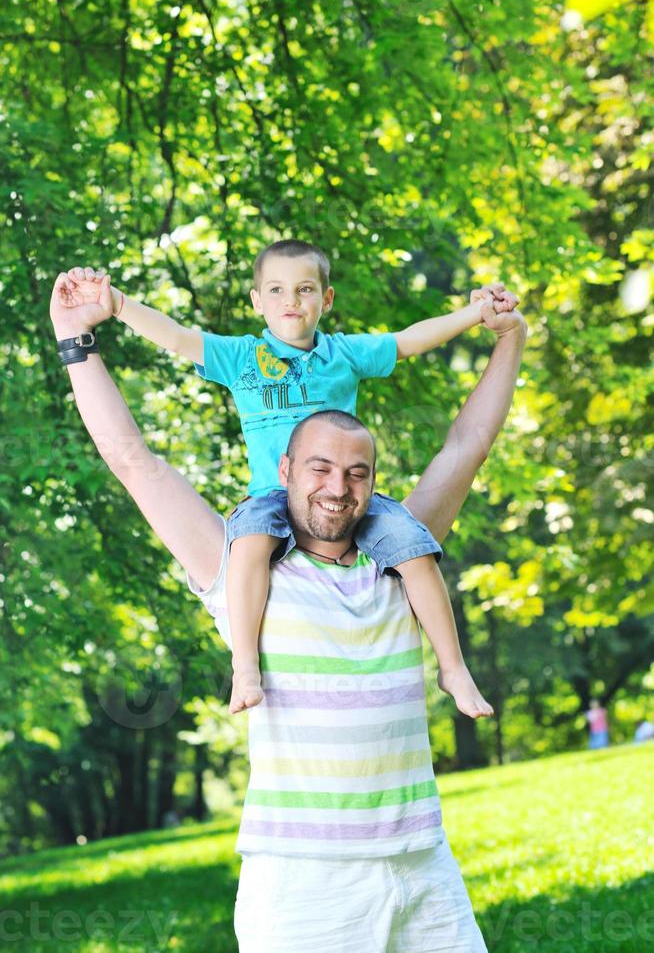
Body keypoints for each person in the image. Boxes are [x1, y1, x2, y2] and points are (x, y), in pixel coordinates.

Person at [50, 268, 527, 951]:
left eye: (356, 473)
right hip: (305, 887)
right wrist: (76, 339)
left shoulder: (401, 555)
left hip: (423, 865)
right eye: (319, 470)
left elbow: (466, 445)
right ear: (285, 473)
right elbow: (134, 460)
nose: (338, 488)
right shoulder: (242, 572)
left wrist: (510, 338)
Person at [62, 242, 517, 720]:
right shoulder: (243, 357)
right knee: (248, 546)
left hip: (352, 504)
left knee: (416, 547)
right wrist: (116, 306)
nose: (291, 301)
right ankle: (244, 668)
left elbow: (409, 341)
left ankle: (453, 668)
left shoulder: (344, 354)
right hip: (269, 497)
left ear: (327, 298)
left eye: (304, 290)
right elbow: (176, 338)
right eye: (276, 290)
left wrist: (476, 315)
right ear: (257, 301)